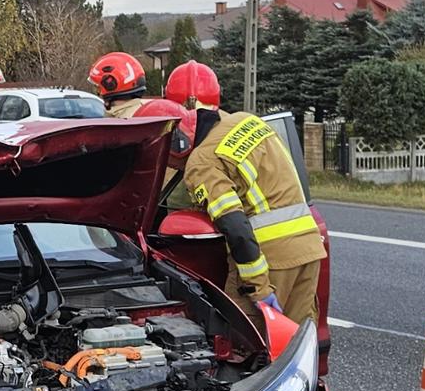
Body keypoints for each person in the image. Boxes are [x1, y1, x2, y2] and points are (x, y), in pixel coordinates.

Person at [135, 99, 325, 328]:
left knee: (249, 346)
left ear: (176, 144)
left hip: (270, 262)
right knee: (299, 342)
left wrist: (259, 288)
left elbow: (234, 225)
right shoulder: (245, 121)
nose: (171, 166)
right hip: (309, 248)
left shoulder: (201, 163)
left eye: (165, 158)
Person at [89, 52, 149, 118]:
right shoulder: (143, 114)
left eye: (98, 88)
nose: (99, 94)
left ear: (110, 86)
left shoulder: (121, 123)